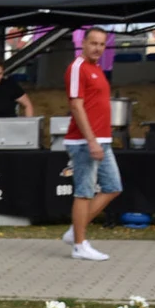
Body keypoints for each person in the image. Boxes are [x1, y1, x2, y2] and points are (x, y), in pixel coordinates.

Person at [62, 27, 121, 262]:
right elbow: (76, 105)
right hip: (85, 141)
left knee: (113, 186)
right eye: (93, 43)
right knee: (84, 192)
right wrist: (91, 140)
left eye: (101, 44)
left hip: (102, 139)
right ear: (83, 44)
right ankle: (79, 244)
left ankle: (77, 229)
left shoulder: (97, 68)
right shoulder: (77, 68)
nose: (97, 48)